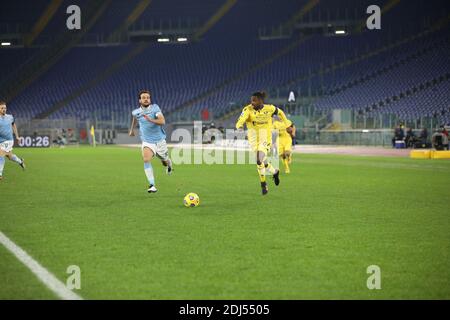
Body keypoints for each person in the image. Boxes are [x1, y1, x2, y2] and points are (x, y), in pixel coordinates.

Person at [236, 91, 289, 195]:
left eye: (254, 100)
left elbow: (280, 112)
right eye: (251, 100)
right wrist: (240, 127)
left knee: (259, 159)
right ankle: (275, 172)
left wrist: (286, 122)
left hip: (265, 138)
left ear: (261, 101)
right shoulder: (247, 110)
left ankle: (263, 184)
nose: (252, 102)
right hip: (253, 139)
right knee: (262, 162)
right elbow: (240, 120)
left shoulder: (269, 108)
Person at [129, 90, 173, 193]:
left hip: (160, 141)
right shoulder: (136, 112)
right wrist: (132, 130)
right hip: (147, 141)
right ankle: (152, 185)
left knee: (164, 161)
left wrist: (150, 120)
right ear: (140, 100)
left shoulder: (155, 108)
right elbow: (135, 119)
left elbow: (162, 121)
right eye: (144, 98)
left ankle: (169, 164)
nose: (146, 99)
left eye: (148, 97)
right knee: (146, 159)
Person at [0, 101, 26, 180]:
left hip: (8, 140)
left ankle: (0, 173)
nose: (4, 109)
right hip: (0, 141)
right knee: (10, 156)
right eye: (2, 108)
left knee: (1, 154)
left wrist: (17, 136)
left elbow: (14, 125)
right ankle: (20, 161)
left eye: (5, 108)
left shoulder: (10, 117)